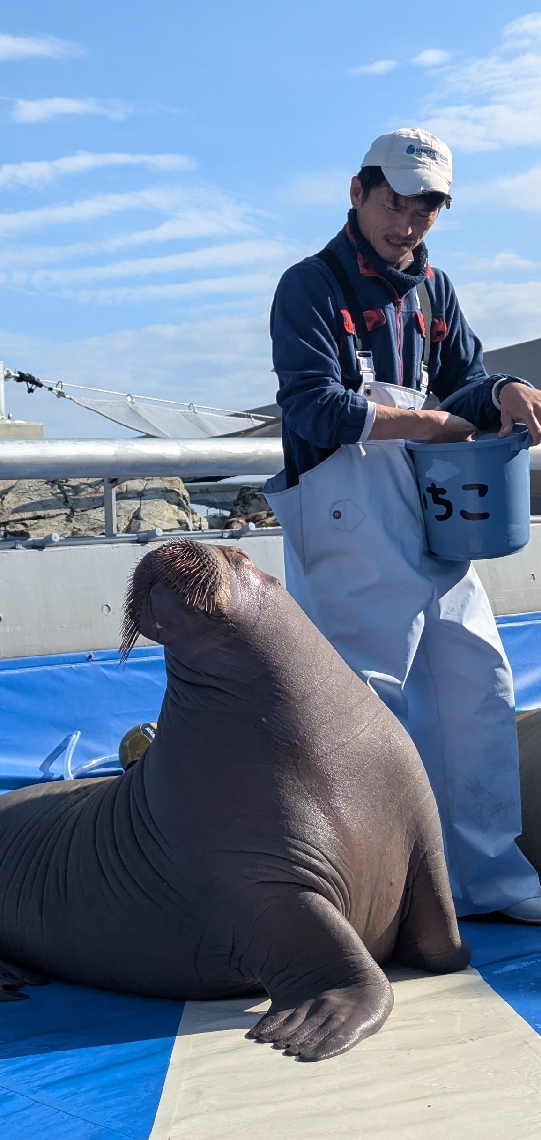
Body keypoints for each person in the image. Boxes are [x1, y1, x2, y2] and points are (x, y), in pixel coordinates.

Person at [264, 127, 541, 922]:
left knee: (475, 684)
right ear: (358, 192)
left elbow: (463, 382)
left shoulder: (434, 290)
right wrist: (425, 425)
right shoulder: (308, 286)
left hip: (431, 515)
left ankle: (486, 876)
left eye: (425, 209)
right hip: (347, 515)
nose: (407, 223)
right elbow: (312, 406)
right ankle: (375, 896)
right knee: (364, 706)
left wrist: (503, 392)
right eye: (394, 202)